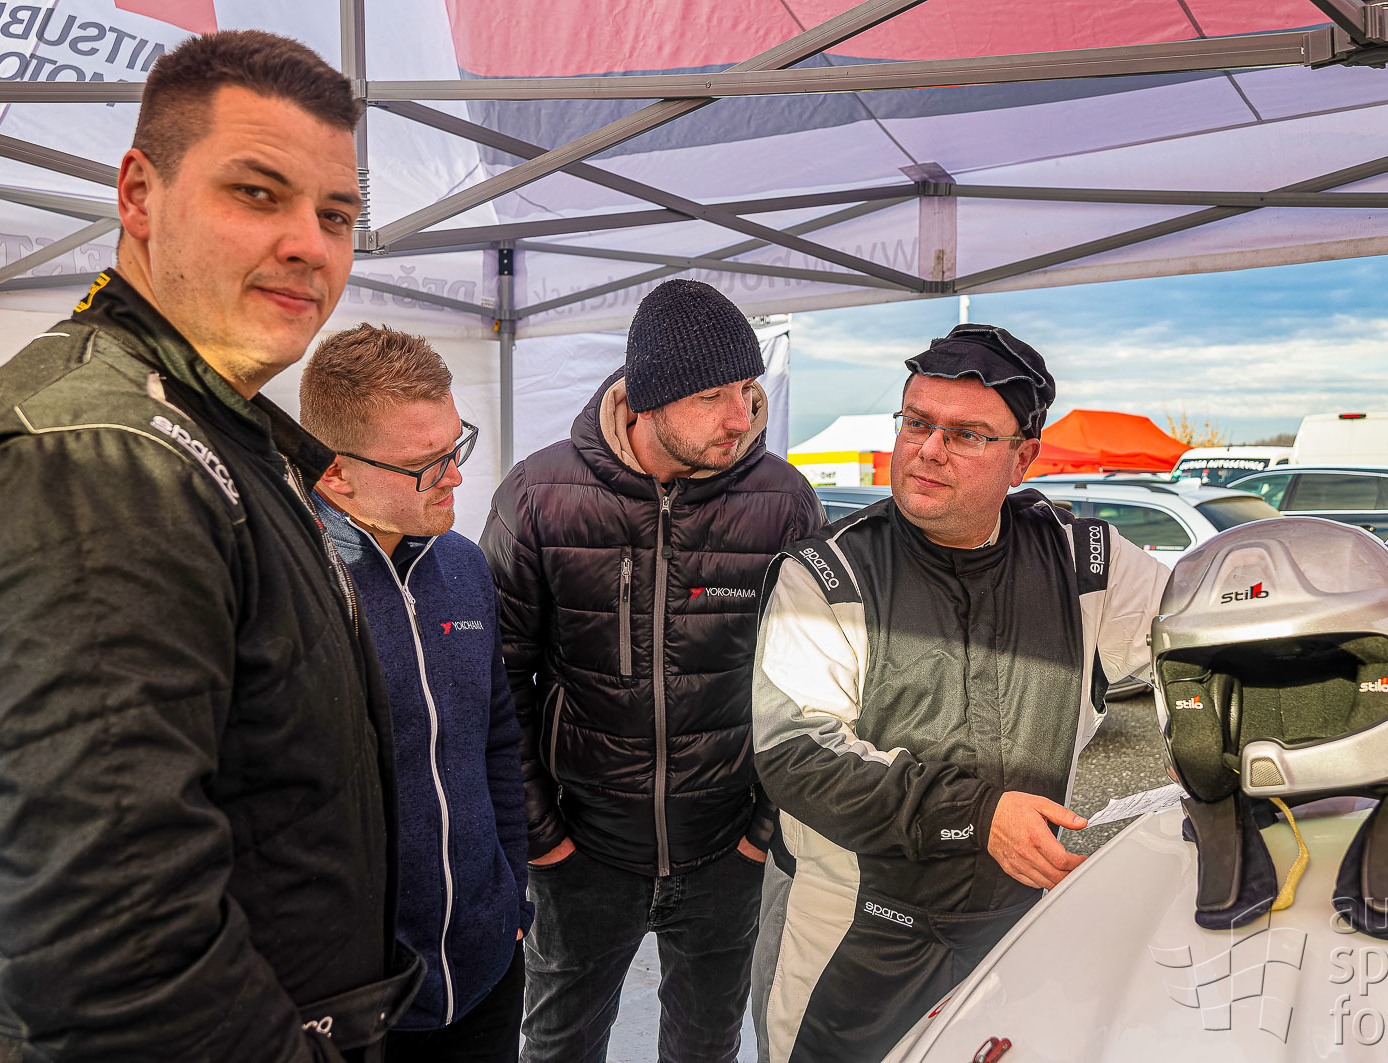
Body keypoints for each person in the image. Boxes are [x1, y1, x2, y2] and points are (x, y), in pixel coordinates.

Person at [0, 31, 422, 1063]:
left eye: (336, 214)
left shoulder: (207, 427)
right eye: (257, 194)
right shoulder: (97, 459)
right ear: (139, 195)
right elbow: (113, 953)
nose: (311, 245)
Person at [749, 324, 1171, 1063]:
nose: (928, 450)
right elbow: (797, 756)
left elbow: (1206, 637)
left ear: (1023, 458)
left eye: (967, 434)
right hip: (852, 936)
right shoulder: (826, 575)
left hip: (1015, 931)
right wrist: (979, 816)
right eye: (916, 423)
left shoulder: (1085, 564)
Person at [480, 279, 824, 1063]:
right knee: (559, 1044)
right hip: (582, 850)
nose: (740, 415)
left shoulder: (782, 501)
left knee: (706, 1046)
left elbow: (812, 686)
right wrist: (542, 837)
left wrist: (761, 832)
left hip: (725, 852)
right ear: (643, 399)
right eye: (711, 396)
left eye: (746, 388)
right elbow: (498, 683)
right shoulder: (538, 496)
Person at [301, 324, 532, 1063]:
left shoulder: (463, 565)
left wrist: (513, 894)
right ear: (335, 474)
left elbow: (496, 738)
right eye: (424, 465)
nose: (454, 477)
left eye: (455, 446)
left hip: (487, 964)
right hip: (357, 1000)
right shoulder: (286, 588)